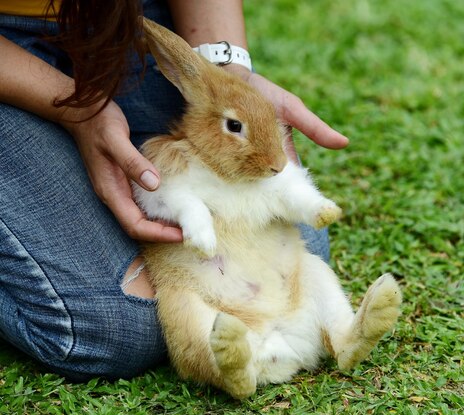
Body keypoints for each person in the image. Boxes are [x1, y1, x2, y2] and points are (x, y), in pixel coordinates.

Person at [0, 0, 348, 381]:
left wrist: (227, 70)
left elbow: (225, 96)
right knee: (119, 325)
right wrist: (78, 111)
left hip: (114, 12)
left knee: (301, 249)